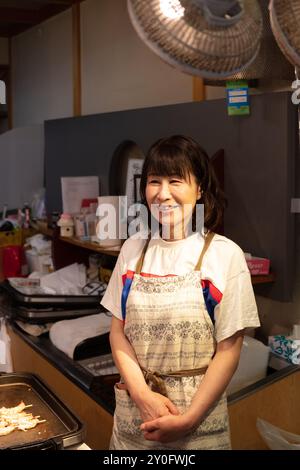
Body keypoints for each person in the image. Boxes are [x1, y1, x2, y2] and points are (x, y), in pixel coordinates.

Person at [101, 135, 260, 450]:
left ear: (199, 188)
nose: (162, 194)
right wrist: (143, 395)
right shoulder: (133, 249)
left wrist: (188, 420)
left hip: (197, 420)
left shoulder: (225, 255)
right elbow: (118, 332)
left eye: (175, 181)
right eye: (153, 181)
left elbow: (229, 349)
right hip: (135, 418)